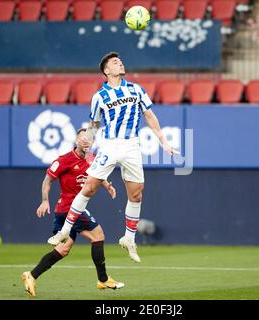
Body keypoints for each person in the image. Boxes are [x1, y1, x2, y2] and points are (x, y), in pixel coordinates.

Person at [48, 52, 178, 263]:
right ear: (106, 71)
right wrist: (86, 140)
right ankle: (65, 230)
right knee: (89, 187)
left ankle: (129, 238)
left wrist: (163, 140)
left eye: (120, 61)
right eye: (115, 62)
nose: (120, 63)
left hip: (132, 145)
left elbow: (150, 116)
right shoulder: (99, 97)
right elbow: (94, 124)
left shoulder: (136, 89)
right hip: (109, 145)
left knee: (136, 195)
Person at [22, 128, 124, 297]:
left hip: (71, 210)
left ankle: (31, 276)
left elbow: (97, 174)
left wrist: (107, 185)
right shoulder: (65, 160)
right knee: (97, 235)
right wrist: (45, 200)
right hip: (69, 208)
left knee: (63, 249)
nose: (85, 141)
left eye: (89, 139)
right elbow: (48, 180)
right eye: (82, 138)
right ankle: (103, 279)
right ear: (76, 141)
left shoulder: (92, 158)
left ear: (92, 142)